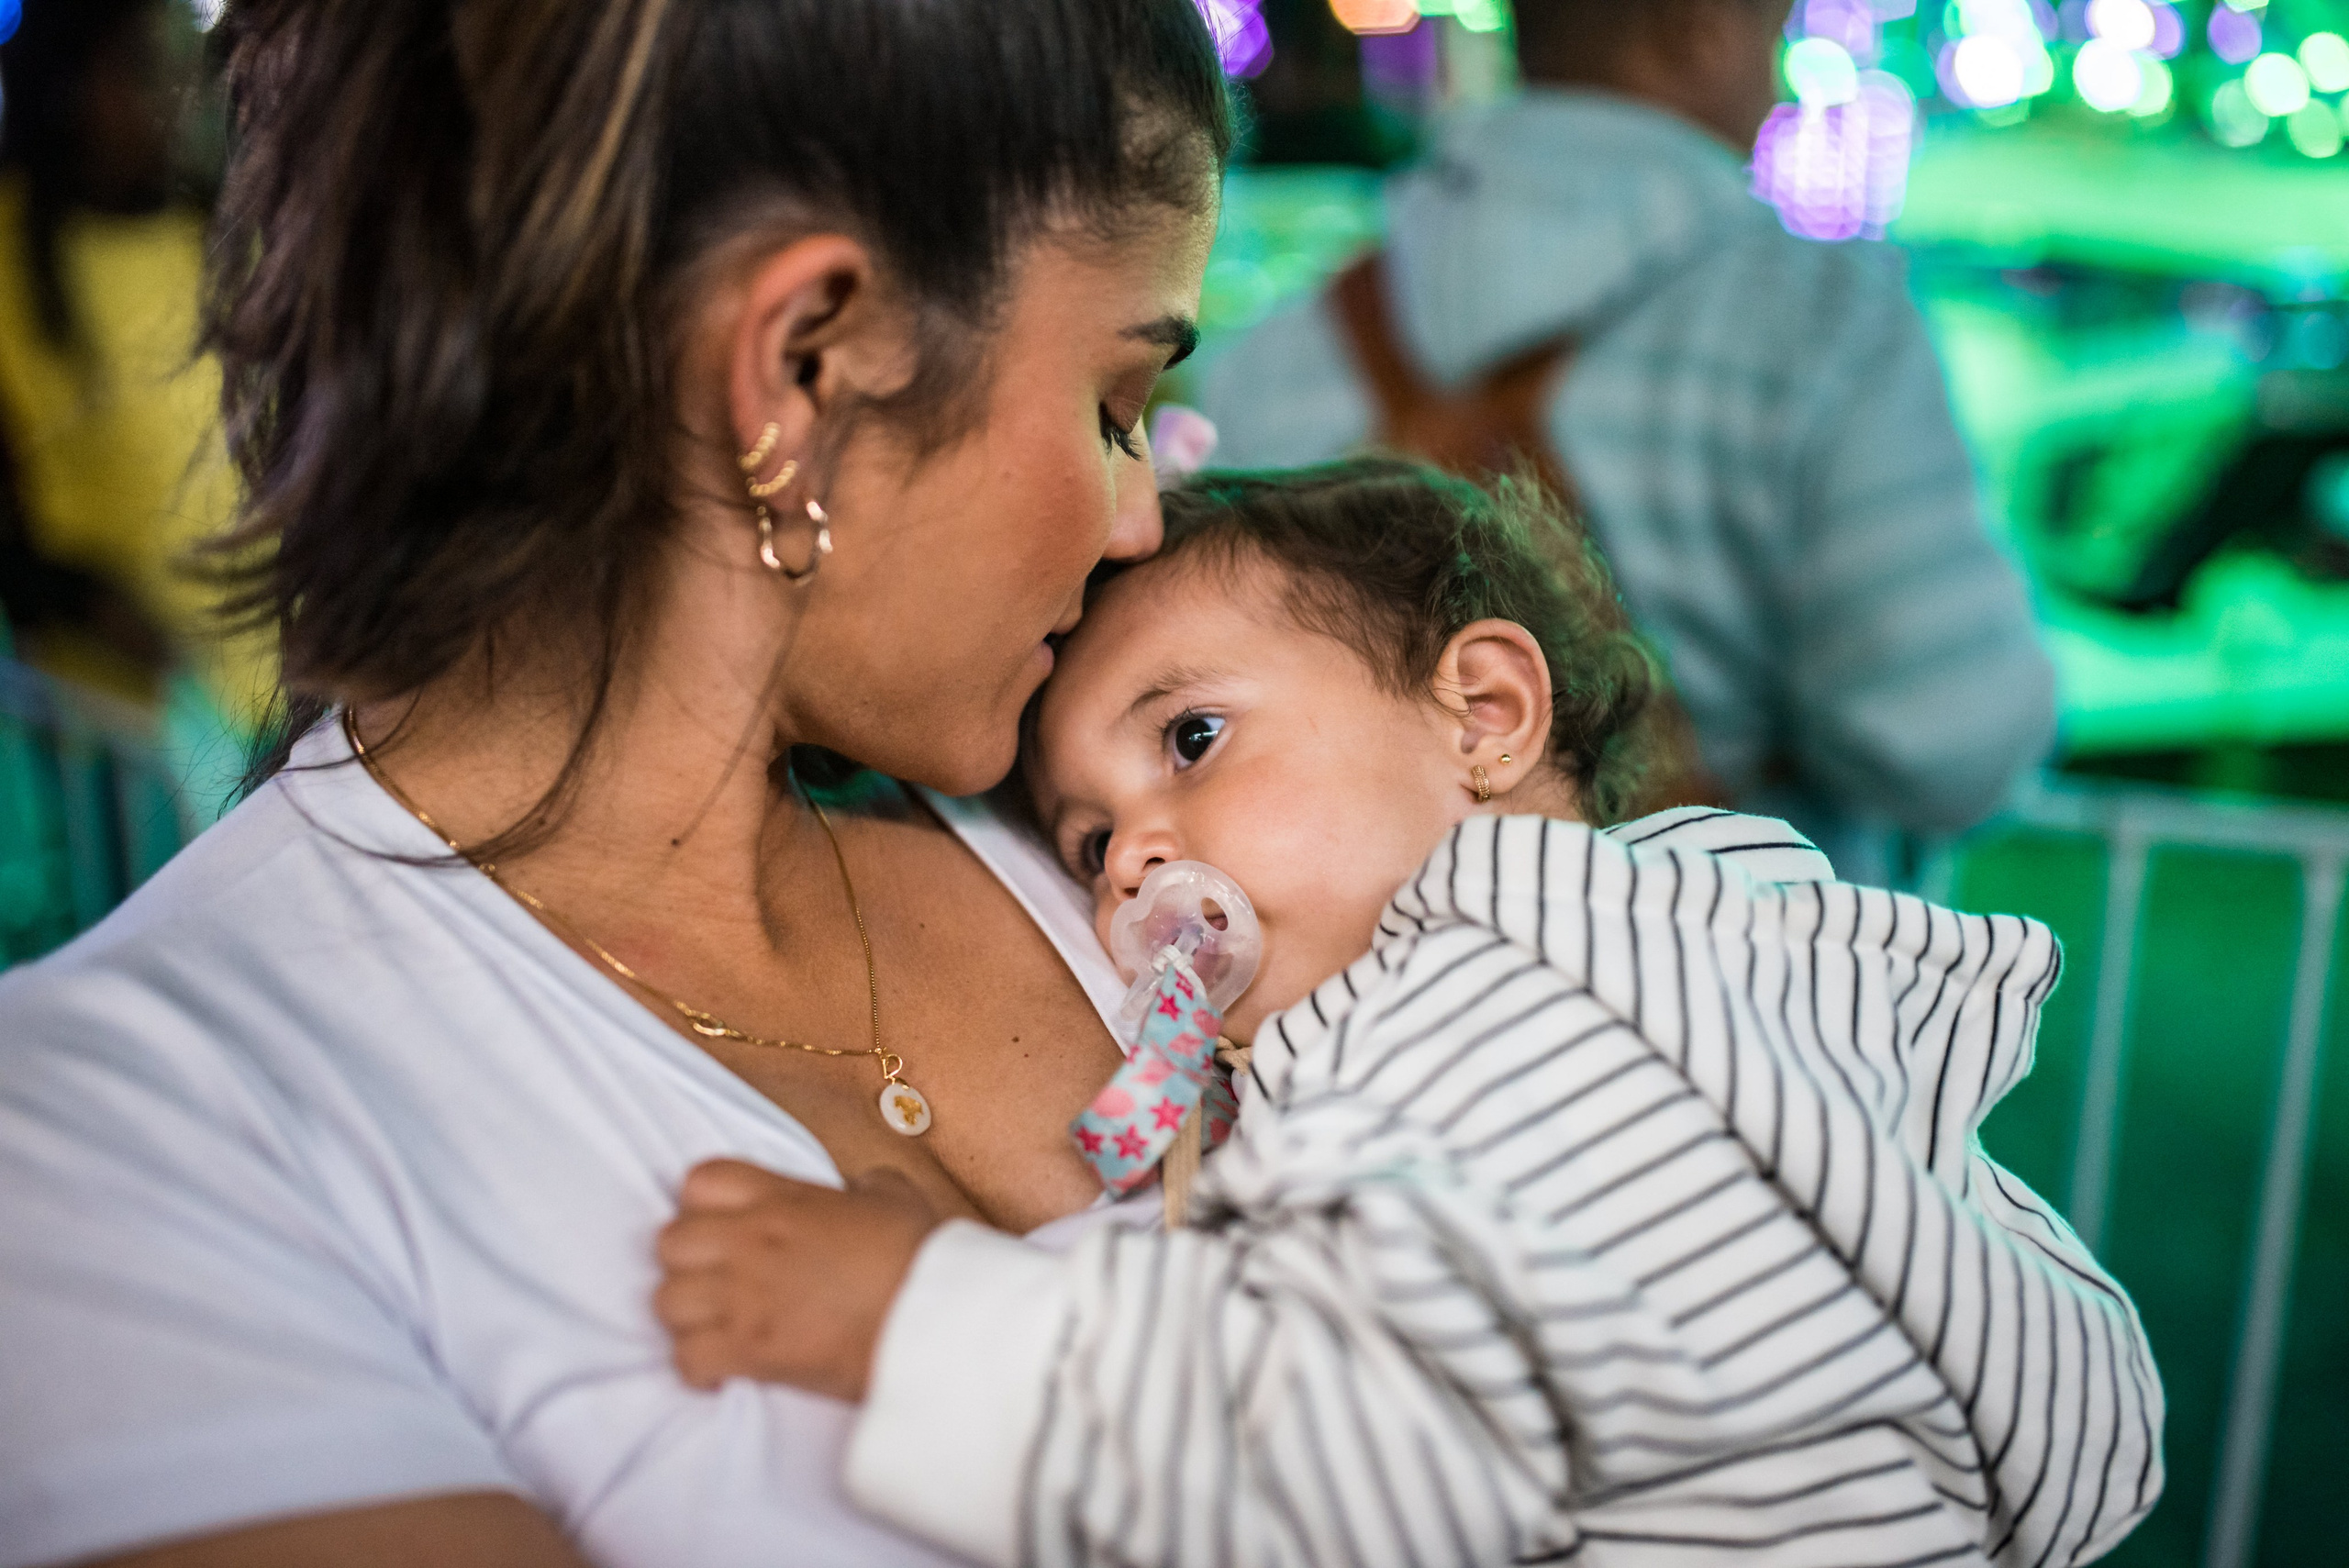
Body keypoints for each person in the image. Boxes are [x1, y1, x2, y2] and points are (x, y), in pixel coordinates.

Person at [0, 1, 1233, 1563]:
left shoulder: (1146, 832)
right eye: (1116, 406)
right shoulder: (114, 1138)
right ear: (801, 365)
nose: (1139, 520)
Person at [651, 462, 2162, 1568]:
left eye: (1191, 737)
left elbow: (1363, 1447)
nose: (1138, 860)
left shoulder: (1520, 1013)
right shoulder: (1710, 971)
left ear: (1485, 715)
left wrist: (921, 1317)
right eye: (1088, 840)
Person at [1195, 0, 2057, 882]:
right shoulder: (1823, 322)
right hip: (1721, 984)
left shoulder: (1277, 347)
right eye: (1777, 33)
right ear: (1701, 31)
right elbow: (1958, 742)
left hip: (1357, 989)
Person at [0, 0, 266, 715]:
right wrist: (79, 599)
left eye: (181, 73)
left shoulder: (213, 230)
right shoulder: (12, 260)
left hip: (260, 686)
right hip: (121, 728)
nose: (170, 101)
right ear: (65, 88)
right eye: (142, 72)